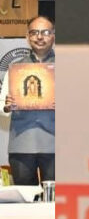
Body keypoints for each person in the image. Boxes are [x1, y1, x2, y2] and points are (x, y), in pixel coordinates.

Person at [0, 16, 55, 185]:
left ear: (53, 35)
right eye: (34, 32)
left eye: (45, 32)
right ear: (27, 37)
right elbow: (2, 105)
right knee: (25, 197)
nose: (40, 37)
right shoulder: (16, 69)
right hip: (22, 145)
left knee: (55, 197)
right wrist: (7, 106)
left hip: (56, 145)